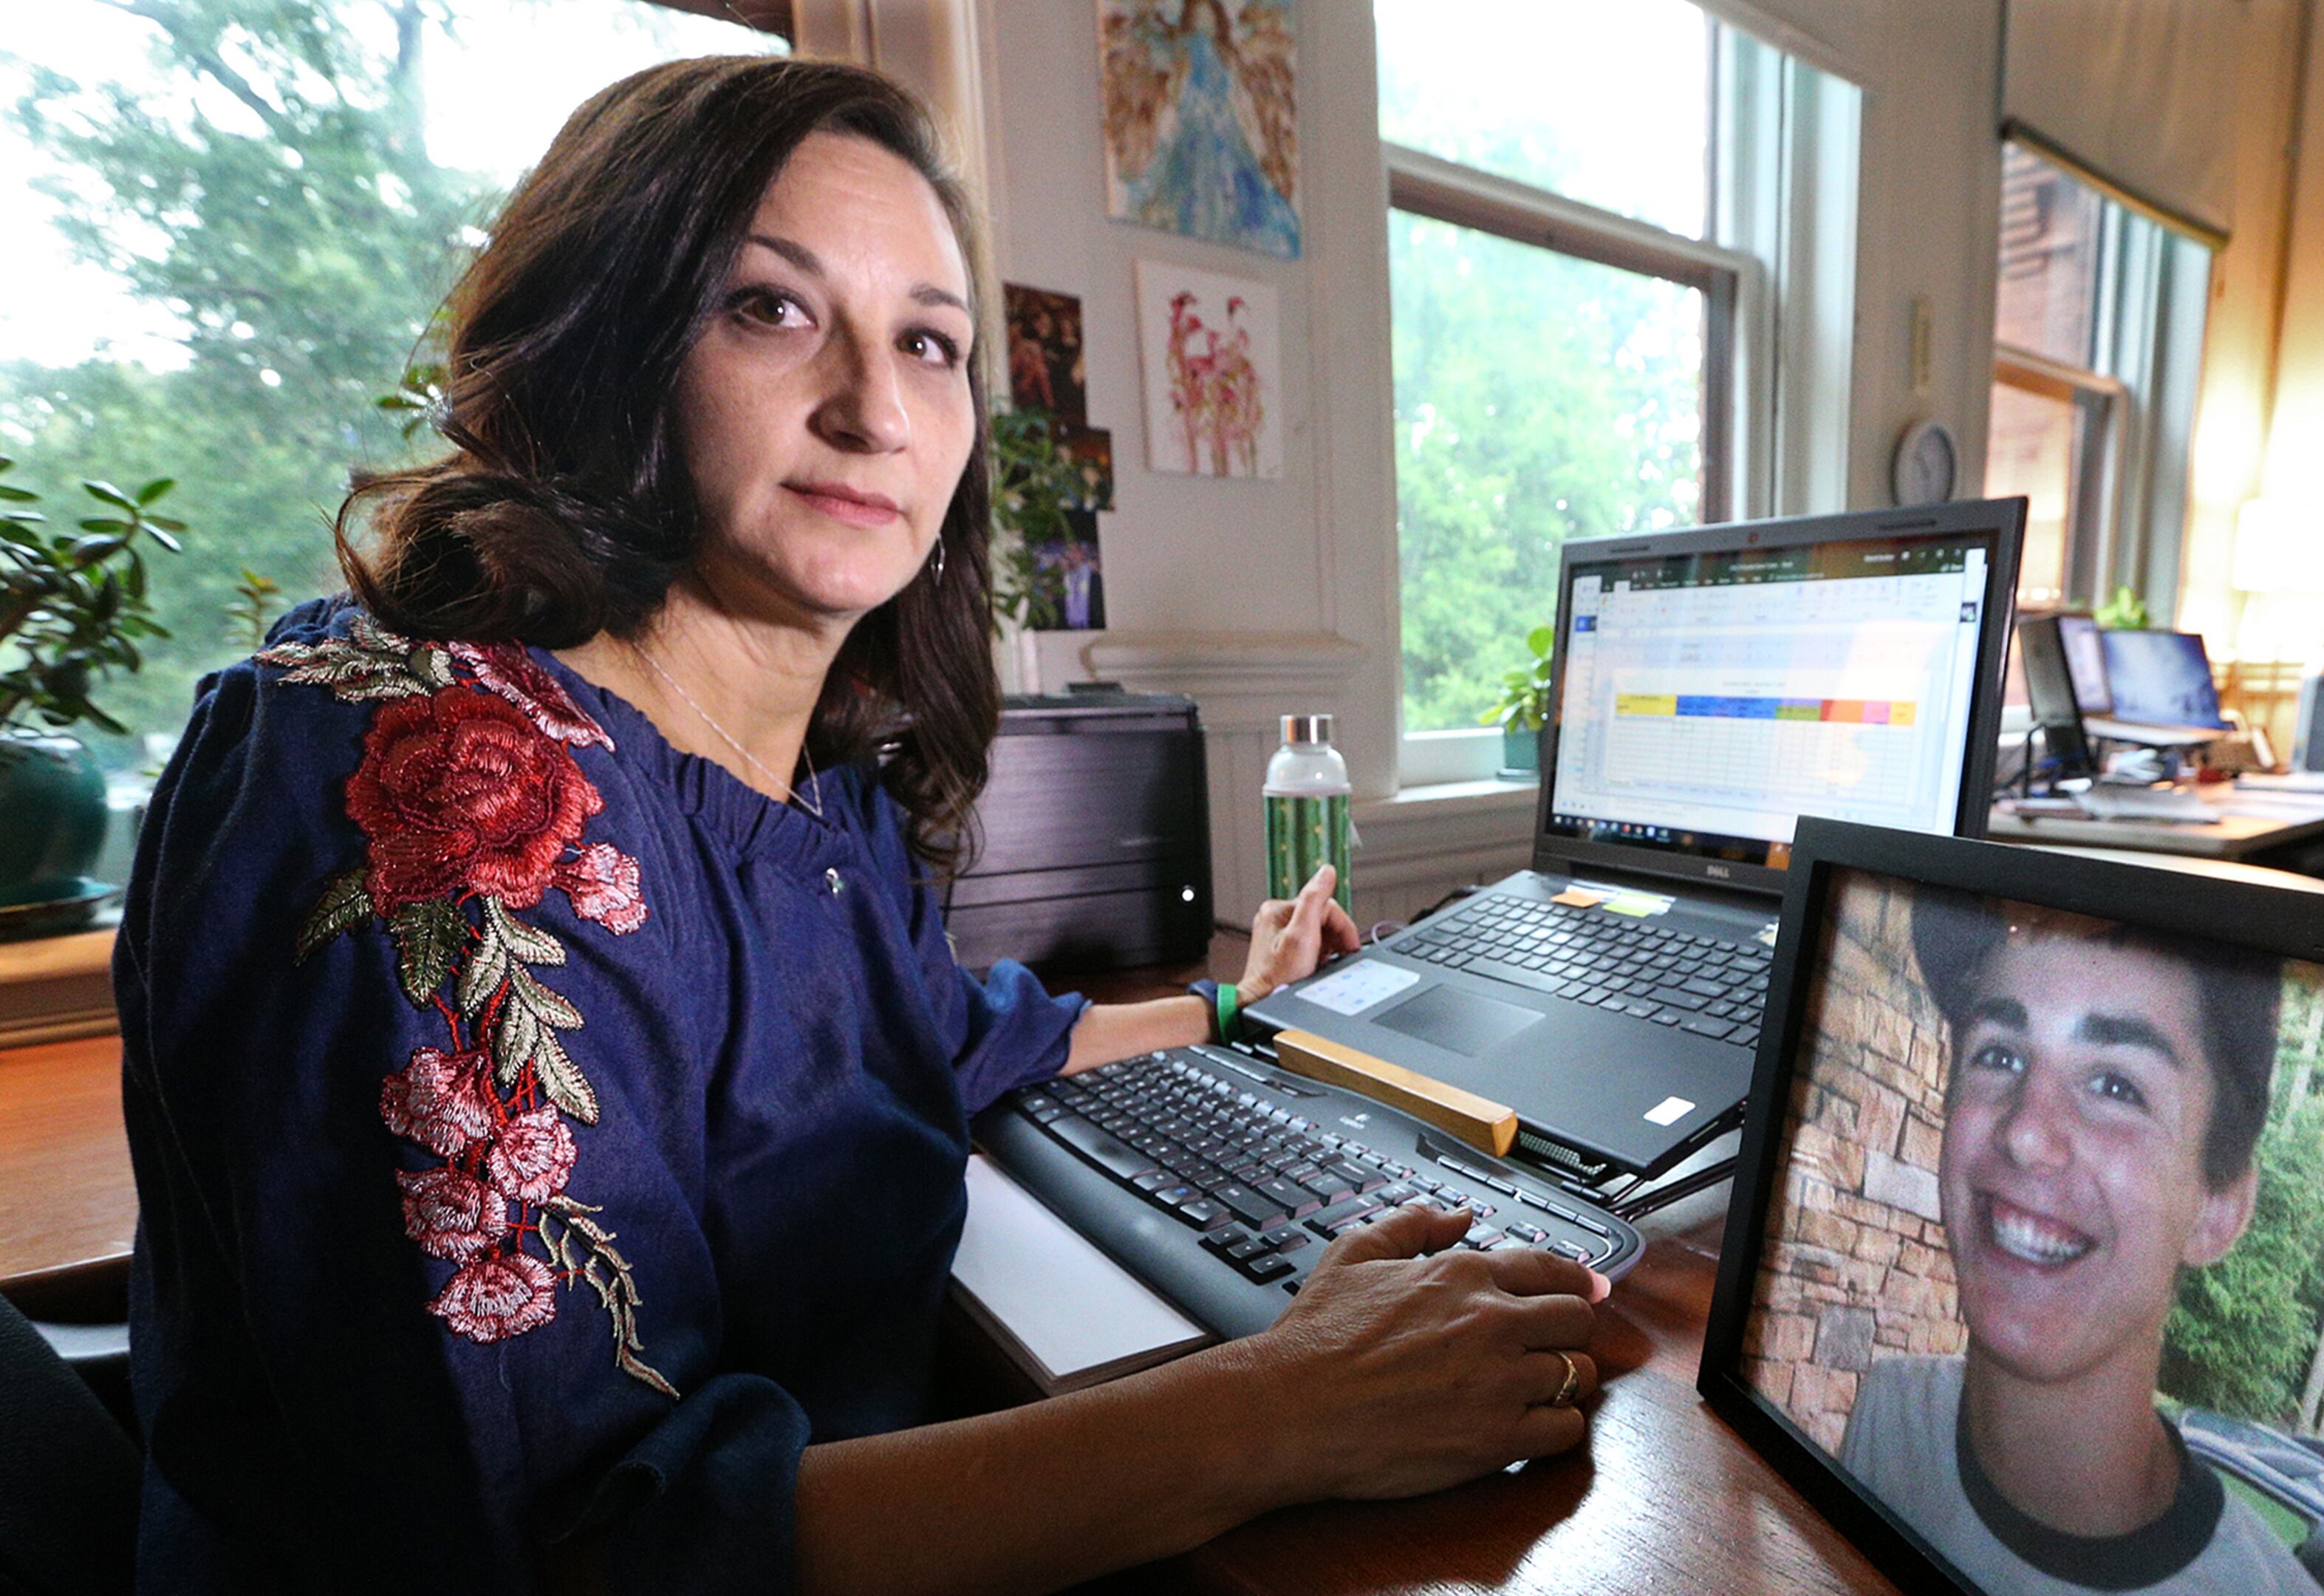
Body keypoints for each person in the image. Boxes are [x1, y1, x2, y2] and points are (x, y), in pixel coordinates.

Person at [116, 56, 1602, 1595]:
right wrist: (1286, 1410)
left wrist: (1242, 1006)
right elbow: (585, 1548)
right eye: (770, 307)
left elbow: (938, 1042)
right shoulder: (429, 772)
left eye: (931, 342)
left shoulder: (819, 783)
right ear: (610, 335)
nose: (877, 407)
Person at [1834, 894, 2320, 1595]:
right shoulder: (1891, 1412)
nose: (2027, 1133)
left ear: (2218, 1208)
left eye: (2116, 1085)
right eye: (1999, 1054)